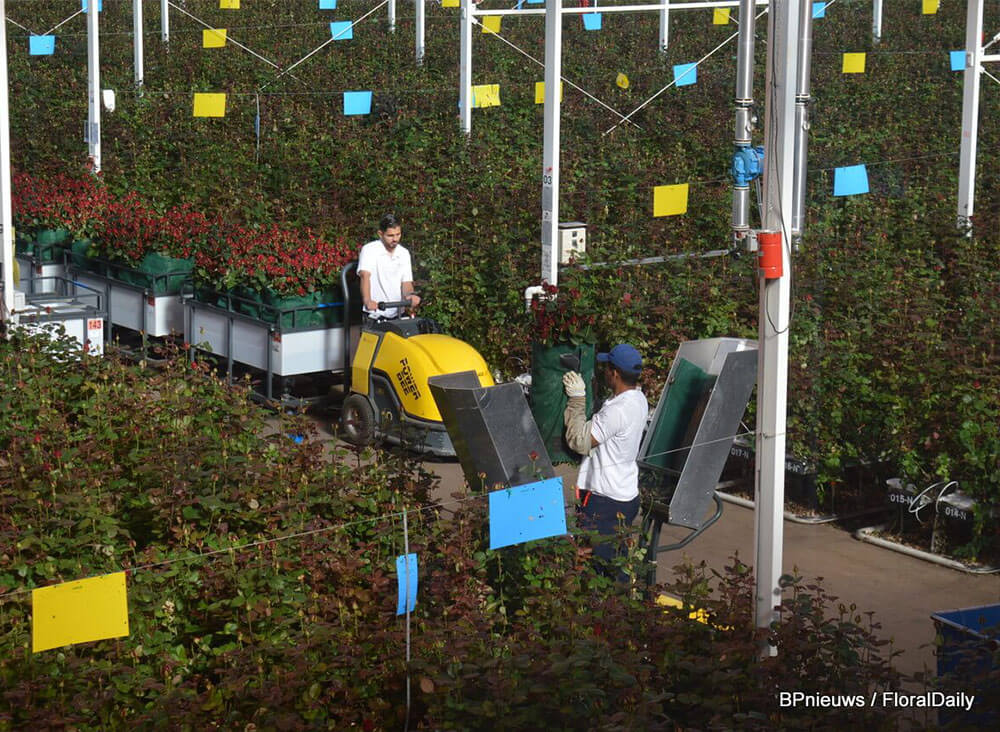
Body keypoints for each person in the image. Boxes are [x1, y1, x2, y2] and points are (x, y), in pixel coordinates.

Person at [563, 343, 649, 577]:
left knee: (599, 567)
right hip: (625, 496)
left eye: (606, 369)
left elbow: (580, 442)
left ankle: (609, 609)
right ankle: (619, 608)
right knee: (614, 558)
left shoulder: (617, 410)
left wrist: (577, 399)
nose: (603, 372)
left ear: (615, 374)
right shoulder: (638, 400)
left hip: (604, 502)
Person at [358, 213, 421, 320]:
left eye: (398, 234)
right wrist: (368, 300)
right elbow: (365, 276)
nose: (395, 239)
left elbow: (406, 282)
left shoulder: (404, 253)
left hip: (399, 313)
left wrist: (409, 295)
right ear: (380, 234)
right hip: (375, 313)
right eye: (390, 236)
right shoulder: (369, 250)